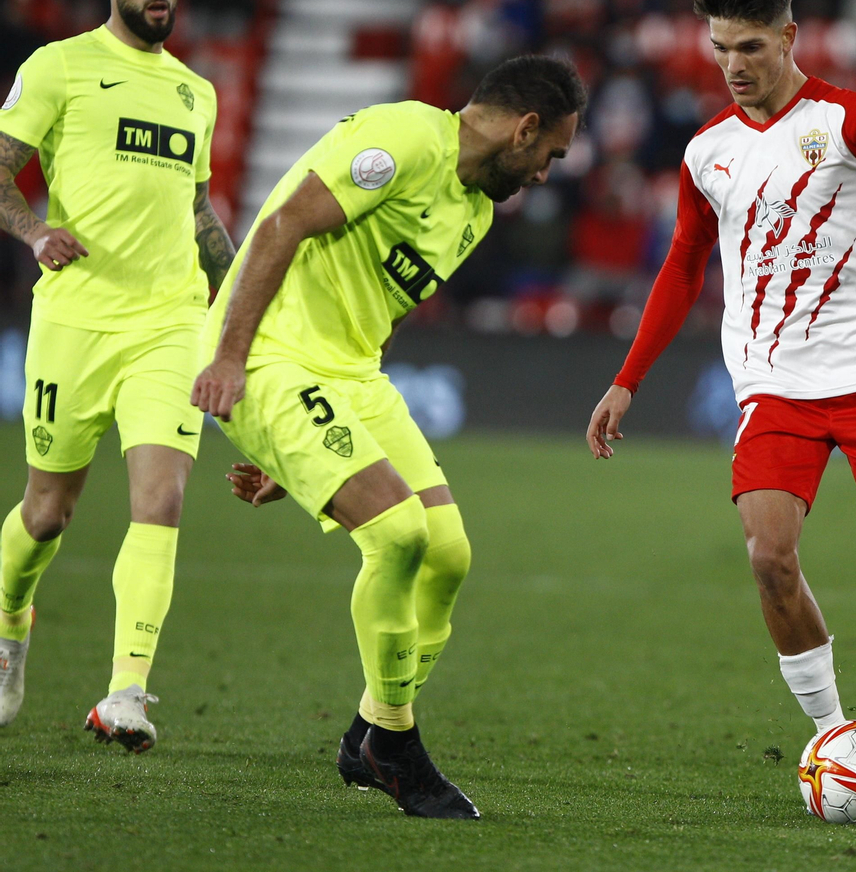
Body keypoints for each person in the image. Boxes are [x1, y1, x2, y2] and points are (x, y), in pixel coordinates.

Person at [586, 0, 856, 815]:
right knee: (768, 560)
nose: (734, 63)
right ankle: (835, 737)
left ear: (790, 39)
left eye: (751, 46)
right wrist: (627, 380)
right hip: (775, 387)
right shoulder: (707, 153)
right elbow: (683, 267)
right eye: (721, 47)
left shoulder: (849, 120)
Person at [190, 54, 584, 819]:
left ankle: (370, 730)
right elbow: (281, 226)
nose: (545, 174)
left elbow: (391, 307)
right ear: (524, 128)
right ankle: (394, 745)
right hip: (270, 357)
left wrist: (301, 458)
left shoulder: (472, 210)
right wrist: (233, 362)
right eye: (551, 154)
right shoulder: (403, 137)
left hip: (352, 377)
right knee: (398, 533)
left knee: (448, 554)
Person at [0, 0, 234, 751]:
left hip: (170, 319)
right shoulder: (59, 67)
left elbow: (197, 207)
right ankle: (7, 630)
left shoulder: (194, 92)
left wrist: (241, 289)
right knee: (48, 511)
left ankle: (126, 691)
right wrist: (33, 231)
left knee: (162, 498)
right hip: (75, 316)